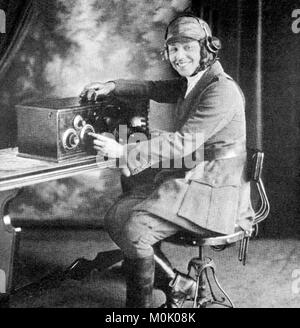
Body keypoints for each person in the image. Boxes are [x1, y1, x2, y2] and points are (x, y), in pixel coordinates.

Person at [80, 13, 254, 308]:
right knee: (116, 217)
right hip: (197, 174)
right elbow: (153, 88)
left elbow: (184, 141)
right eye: (173, 49)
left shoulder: (220, 90)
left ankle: (142, 308)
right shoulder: (196, 81)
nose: (179, 56)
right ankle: (177, 283)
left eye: (188, 47)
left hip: (218, 189)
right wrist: (112, 85)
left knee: (135, 228)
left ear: (206, 50)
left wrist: (124, 152)